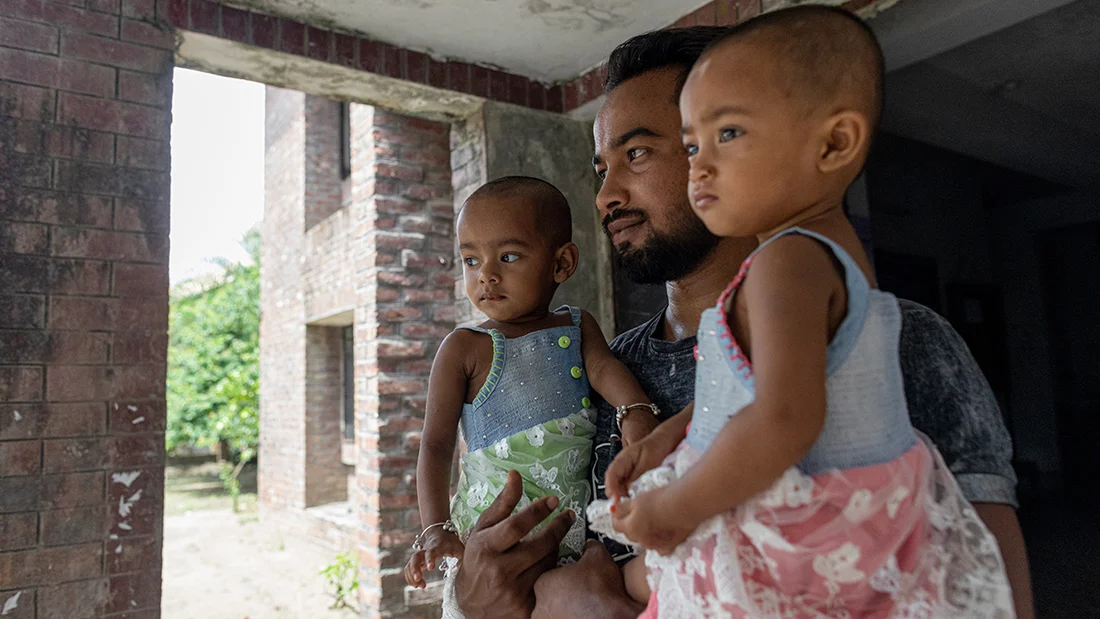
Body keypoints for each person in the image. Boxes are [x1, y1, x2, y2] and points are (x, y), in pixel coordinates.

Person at [453, 21, 1033, 619]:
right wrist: (474, 599)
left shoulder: (898, 343)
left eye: (638, 152)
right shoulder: (585, 369)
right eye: (603, 169)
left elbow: (985, 591)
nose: (606, 195)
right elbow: (506, 573)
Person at [405, 177, 659, 602]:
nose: (485, 274)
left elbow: (603, 366)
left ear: (561, 264)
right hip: (493, 536)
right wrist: (435, 528)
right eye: (470, 260)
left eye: (508, 256)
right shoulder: (464, 348)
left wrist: (635, 408)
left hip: (571, 533)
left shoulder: (578, 325)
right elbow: (434, 445)